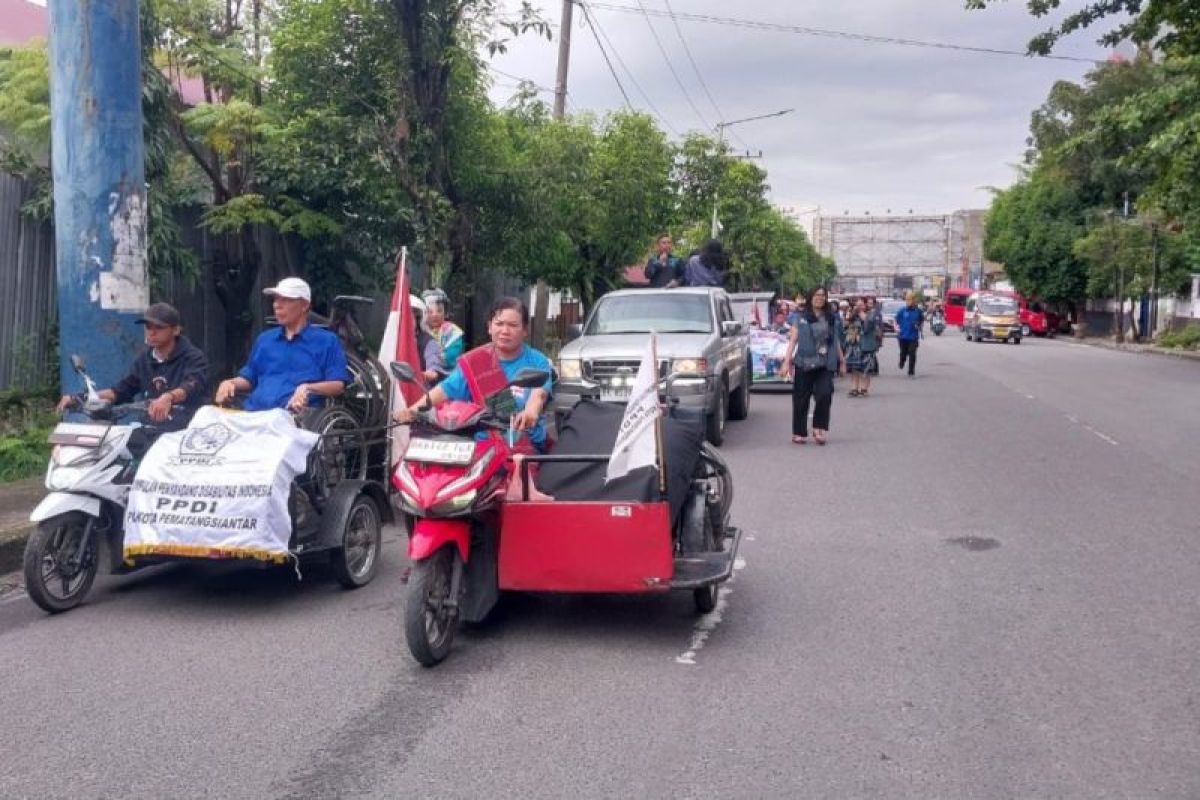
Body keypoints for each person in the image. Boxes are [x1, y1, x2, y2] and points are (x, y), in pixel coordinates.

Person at [57, 302, 208, 431]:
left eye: (159, 327)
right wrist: (82, 398)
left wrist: (168, 397)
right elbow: (121, 391)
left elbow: (192, 384)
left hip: (185, 430)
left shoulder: (193, 357)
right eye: (148, 327)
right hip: (150, 428)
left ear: (175, 330)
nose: (152, 332)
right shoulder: (144, 361)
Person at [214, 277, 350, 412]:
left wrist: (308, 388)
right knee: (204, 417)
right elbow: (249, 378)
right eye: (275, 299)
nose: (276, 305)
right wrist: (230, 383)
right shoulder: (265, 340)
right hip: (254, 413)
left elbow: (338, 384)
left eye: (285, 299)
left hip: (292, 417)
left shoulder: (326, 341)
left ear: (304, 305)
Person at [780, 286, 845, 446]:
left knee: (825, 394)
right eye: (817, 295)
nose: (820, 298)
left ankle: (819, 427)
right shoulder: (800, 317)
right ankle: (799, 432)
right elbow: (793, 340)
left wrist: (842, 361)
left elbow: (835, 341)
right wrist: (786, 362)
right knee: (801, 398)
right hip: (804, 362)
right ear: (811, 297)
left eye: (823, 295)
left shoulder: (831, 318)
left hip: (825, 363)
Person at [843, 297, 880, 397]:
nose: (859, 307)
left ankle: (864, 389)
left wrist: (860, 313)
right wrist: (849, 316)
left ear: (865, 305)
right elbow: (845, 327)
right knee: (854, 369)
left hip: (866, 345)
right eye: (857, 305)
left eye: (861, 305)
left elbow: (868, 326)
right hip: (853, 346)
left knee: (866, 369)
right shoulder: (852, 315)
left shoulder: (871, 314)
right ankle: (854, 388)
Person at [421, 288, 464, 370]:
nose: (435, 315)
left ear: (446, 312)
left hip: (448, 375)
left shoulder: (452, 331)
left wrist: (434, 358)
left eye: (439, 311)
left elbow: (453, 355)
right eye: (430, 312)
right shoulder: (421, 331)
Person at [411, 295, 446, 384]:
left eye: (410, 318)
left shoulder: (428, 342)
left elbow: (433, 373)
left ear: (418, 320)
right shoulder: (393, 342)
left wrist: (415, 376)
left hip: (422, 392)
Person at [895, 290, 925, 377]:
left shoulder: (918, 311)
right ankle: (902, 360)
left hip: (913, 337)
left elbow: (922, 321)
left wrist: (919, 326)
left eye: (910, 300)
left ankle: (911, 371)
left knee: (912, 353)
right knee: (903, 353)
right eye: (907, 300)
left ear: (914, 300)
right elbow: (896, 320)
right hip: (903, 336)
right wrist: (897, 329)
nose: (908, 302)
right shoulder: (902, 311)